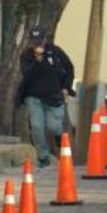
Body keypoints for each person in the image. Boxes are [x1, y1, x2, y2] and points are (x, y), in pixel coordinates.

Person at [17, 26, 75, 168]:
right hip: (34, 97)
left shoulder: (55, 51)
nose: (38, 45)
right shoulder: (26, 56)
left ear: (44, 40)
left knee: (54, 127)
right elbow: (27, 75)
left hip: (54, 96)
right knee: (37, 126)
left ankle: (58, 138)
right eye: (34, 42)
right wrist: (37, 61)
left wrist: (66, 87)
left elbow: (69, 67)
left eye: (40, 41)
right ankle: (43, 156)